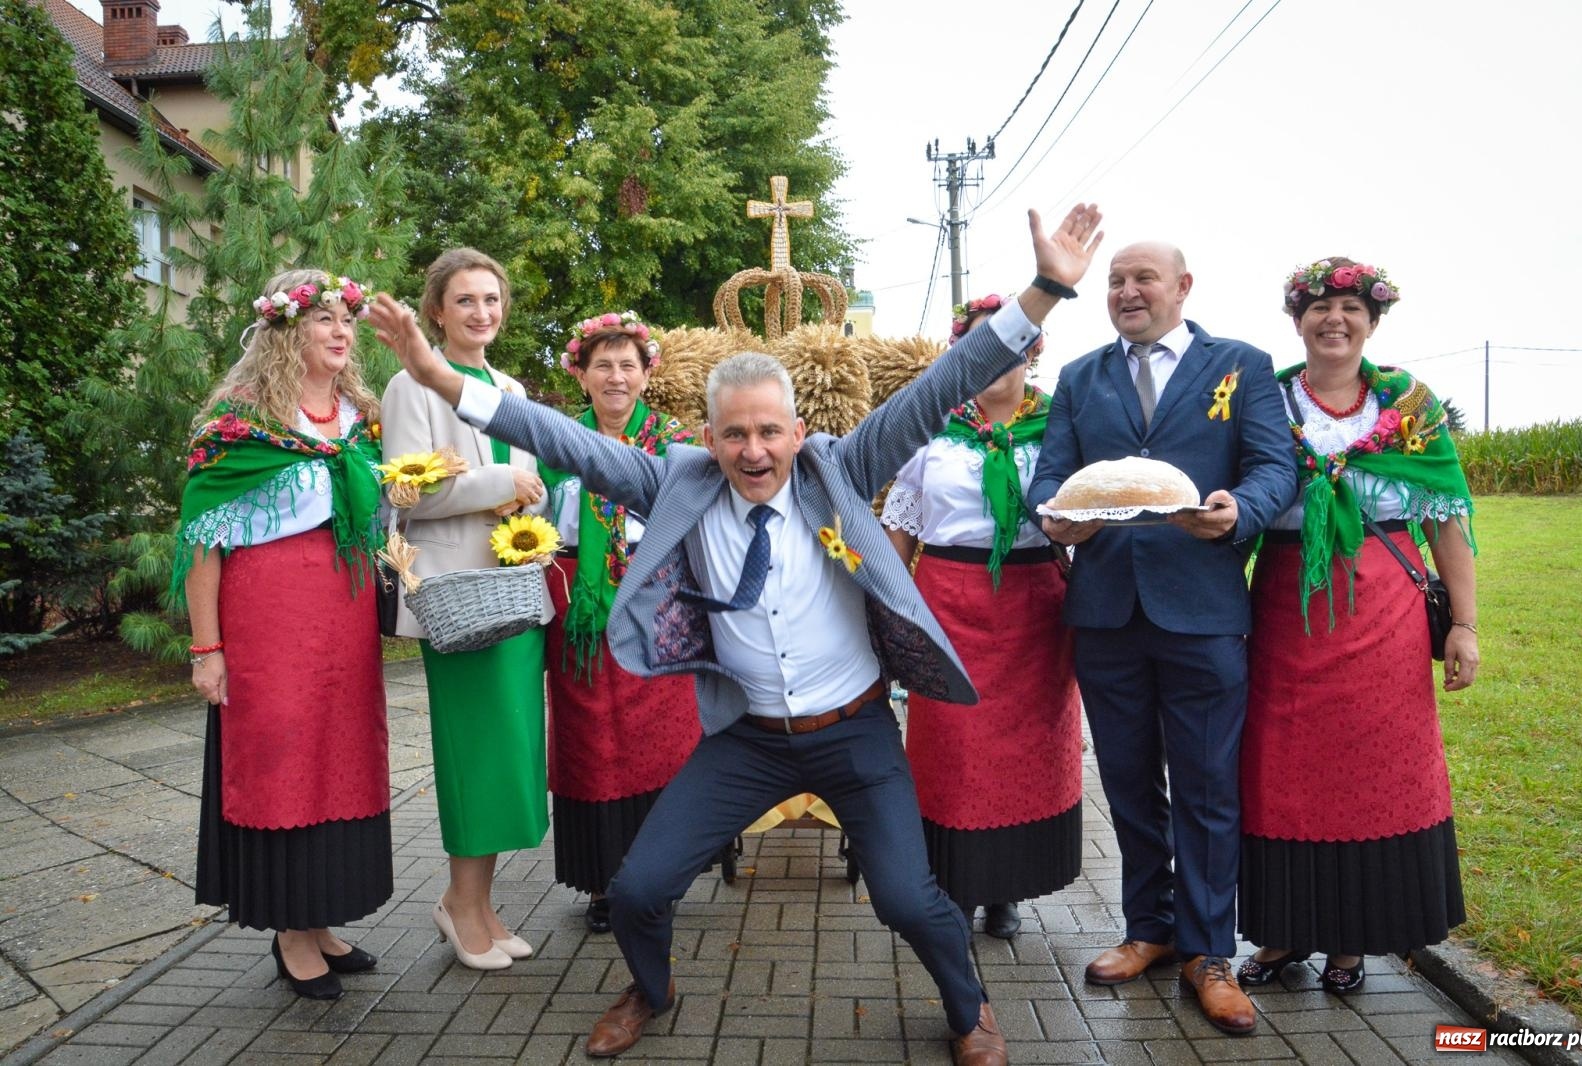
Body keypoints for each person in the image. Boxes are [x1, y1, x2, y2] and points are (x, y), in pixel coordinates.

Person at [370, 202, 1108, 1066]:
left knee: (908, 899)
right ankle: (651, 989)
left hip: (855, 734)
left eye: (768, 432)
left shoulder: (846, 467)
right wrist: (437, 375)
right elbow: (557, 437)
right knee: (640, 888)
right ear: (709, 439)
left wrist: (1046, 288)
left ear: (798, 431)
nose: (753, 452)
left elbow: (943, 384)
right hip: (748, 739)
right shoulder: (676, 484)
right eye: (734, 435)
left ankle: (969, 1006)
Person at [1026, 242, 1299, 1035]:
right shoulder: (1081, 377)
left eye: (1143, 278)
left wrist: (1240, 511)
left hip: (1203, 612)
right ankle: (1149, 928)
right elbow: (1050, 476)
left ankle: (1209, 952)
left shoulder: (1241, 366)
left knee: (1207, 787)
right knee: (1129, 784)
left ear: (1183, 286)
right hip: (1106, 613)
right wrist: (1053, 517)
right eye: (1115, 281)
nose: (1126, 291)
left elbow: (1273, 468)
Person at [1235, 259, 1477, 993]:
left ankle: (1350, 941)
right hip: (1286, 611)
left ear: (1373, 321)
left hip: (1385, 613)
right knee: (1279, 769)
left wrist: (1464, 626)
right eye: (1318, 307)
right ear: (1297, 319)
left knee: (1372, 767)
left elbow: (1445, 518)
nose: (1333, 319)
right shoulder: (1266, 401)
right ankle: (1283, 931)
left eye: (1349, 308)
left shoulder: (1409, 405)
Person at [179, 269, 391, 1001]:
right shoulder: (240, 420)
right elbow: (203, 541)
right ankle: (291, 934)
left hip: (344, 615)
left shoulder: (358, 418)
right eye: (323, 319)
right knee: (283, 759)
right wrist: (207, 649)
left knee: (341, 754)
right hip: (267, 618)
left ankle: (321, 918)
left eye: (346, 320)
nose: (341, 331)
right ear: (284, 330)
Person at [881, 294, 1081, 941]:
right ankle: (956, 884)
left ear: (1033, 350)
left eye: (1011, 342)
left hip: (1035, 610)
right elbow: (900, 524)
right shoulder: (931, 427)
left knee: (1026, 751)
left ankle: (1007, 888)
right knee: (952, 749)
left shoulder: (1062, 424)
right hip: (947, 604)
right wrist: (886, 608)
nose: (996, 357)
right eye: (979, 344)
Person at [381, 248, 549, 970]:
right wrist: (502, 481)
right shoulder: (409, 385)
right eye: (465, 300)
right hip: (455, 598)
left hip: (512, 589)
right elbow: (405, 493)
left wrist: (528, 498)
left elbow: (532, 482)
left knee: (511, 752)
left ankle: (477, 904)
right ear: (436, 312)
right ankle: (458, 903)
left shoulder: (509, 387)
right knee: (473, 752)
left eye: (491, 299)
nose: (482, 312)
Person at [540, 311, 701, 935]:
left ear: (646, 375)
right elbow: (534, 520)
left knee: (661, 743)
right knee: (590, 740)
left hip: (656, 606)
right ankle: (604, 882)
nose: (615, 377)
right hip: (579, 613)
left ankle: (658, 879)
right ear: (581, 376)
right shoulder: (555, 442)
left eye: (626, 366)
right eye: (602, 365)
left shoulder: (675, 445)